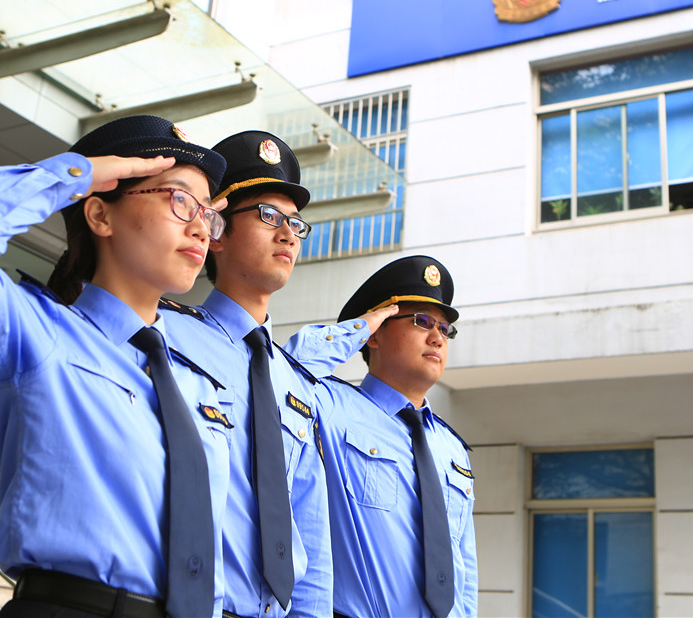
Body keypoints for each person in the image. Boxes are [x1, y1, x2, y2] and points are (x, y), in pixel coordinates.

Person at [0, 115, 233, 618]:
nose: (200, 227)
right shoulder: (42, 335)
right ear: (101, 216)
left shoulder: (194, 383)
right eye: (179, 200)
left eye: (209, 214)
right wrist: (81, 174)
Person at [163, 130, 332, 618]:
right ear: (214, 230)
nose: (287, 234)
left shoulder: (297, 384)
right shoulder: (163, 337)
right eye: (267, 216)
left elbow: (310, 530)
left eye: (296, 224)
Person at [295, 255, 478, 618]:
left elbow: (465, 569)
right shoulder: (330, 408)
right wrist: (357, 329)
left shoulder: (451, 448)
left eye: (445, 329)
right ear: (375, 334)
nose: (437, 337)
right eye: (422, 321)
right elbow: (285, 371)